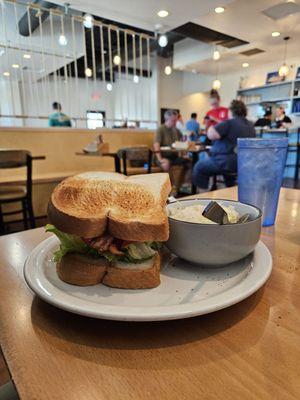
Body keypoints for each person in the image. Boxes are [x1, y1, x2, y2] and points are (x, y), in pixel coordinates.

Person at [192, 100, 255, 190]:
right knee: (228, 173)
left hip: (225, 162)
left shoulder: (230, 123)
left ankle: (203, 196)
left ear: (231, 111)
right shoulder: (250, 125)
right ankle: (231, 191)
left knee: (199, 167)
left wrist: (210, 125)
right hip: (243, 163)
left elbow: (211, 134)